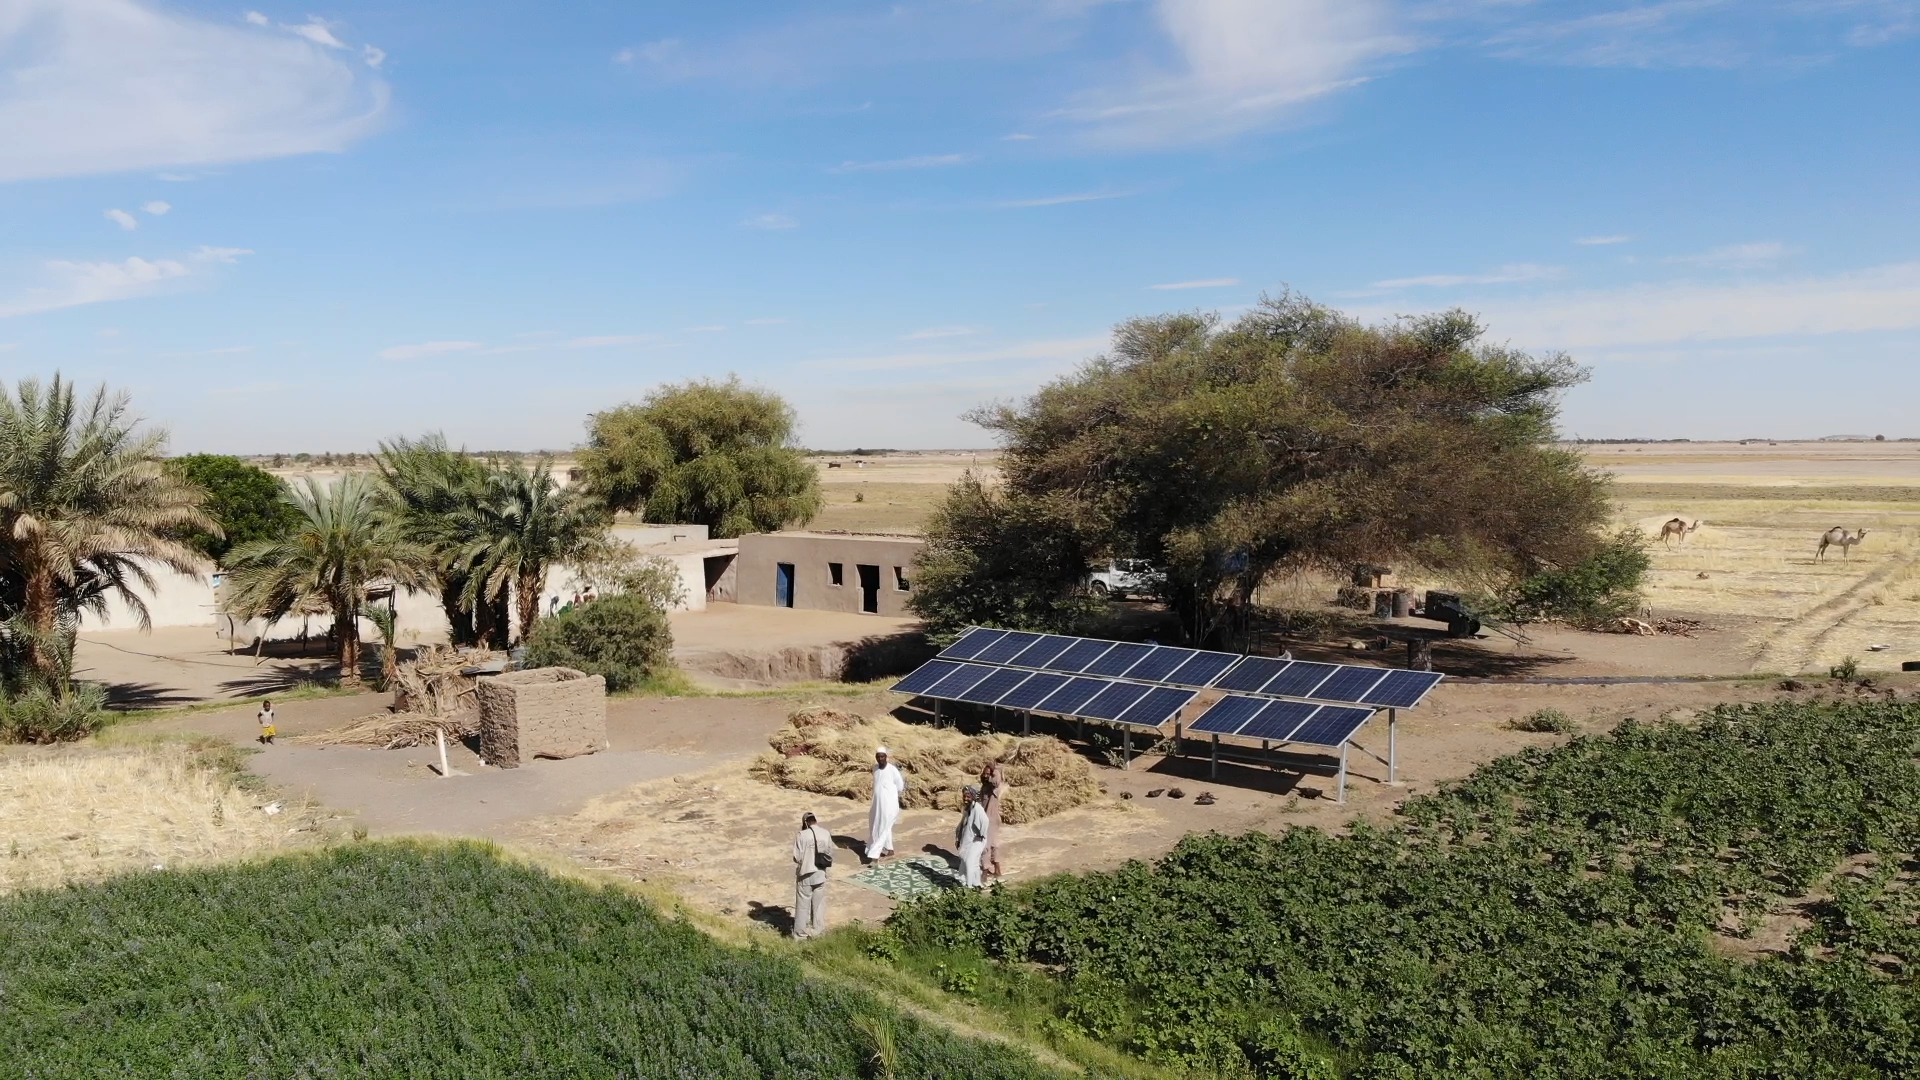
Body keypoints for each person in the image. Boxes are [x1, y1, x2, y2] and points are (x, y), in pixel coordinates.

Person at [791, 811, 832, 940]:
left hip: (806, 874)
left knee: (803, 905)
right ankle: (817, 931)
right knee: (818, 904)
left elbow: (797, 857)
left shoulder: (802, 835)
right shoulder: (825, 833)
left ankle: (800, 934)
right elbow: (830, 853)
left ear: (805, 823)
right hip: (820, 873)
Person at [867, 747, 906, 861]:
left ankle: (874, 854)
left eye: (882, 756)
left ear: (886, 757)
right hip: (877, 804)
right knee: (878, 825)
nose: (880, 759)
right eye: (878, 757)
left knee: (883, 827)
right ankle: (890, 849)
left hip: (889, 805)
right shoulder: (875, 769)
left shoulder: (892, 770)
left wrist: (889, 795)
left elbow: (900, 786)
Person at [955, 785, 989, 888]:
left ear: (973, 796)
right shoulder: (968, 808)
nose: (965, 799)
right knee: (970, 863)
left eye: (968, 796)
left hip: (976, 840)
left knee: (970, 862)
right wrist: (958, 838)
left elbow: (985, 821)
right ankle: (976, 883)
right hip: (968, 840)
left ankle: (969, 887)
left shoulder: (977, 809)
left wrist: (981, 834)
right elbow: (962, 825)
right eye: (964, 796)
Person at [978, 761, 1007, 880]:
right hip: (986, 818)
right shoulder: (984, 787)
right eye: (984, 774)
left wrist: (993, 769)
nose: (985, 776)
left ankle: (985, 870)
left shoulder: (993, 788)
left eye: (988, 774)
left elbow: (996, 781)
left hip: (991, 819)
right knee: (994, 844)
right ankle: (997, 869)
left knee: (985, 845)